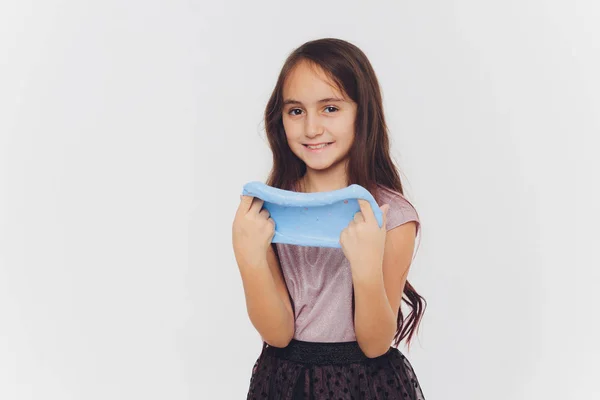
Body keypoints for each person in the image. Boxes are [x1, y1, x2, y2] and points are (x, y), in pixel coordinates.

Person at [232, 38, 426, 400]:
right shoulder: (273, 209)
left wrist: (365, 267)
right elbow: (277, 333)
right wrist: (249, 258)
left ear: (362, 112)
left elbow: (375, 344)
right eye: (296, 111)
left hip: (364, 385)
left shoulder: (393, 216)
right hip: (285, 382)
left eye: (330, 108)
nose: (311, 128)